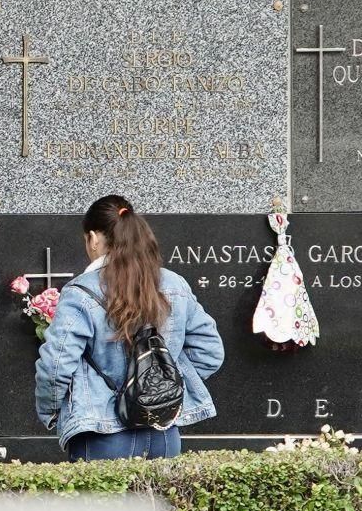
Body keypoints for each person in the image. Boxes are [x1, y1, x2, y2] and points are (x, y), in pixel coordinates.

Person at [33, 194, 225, 461]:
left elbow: (55, 366)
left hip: (101, 433)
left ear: (94, 238)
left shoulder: (80, 292)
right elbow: (210, 352)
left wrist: (51, 411)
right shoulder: (174, 284)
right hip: (163, 432)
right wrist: (161, 385)